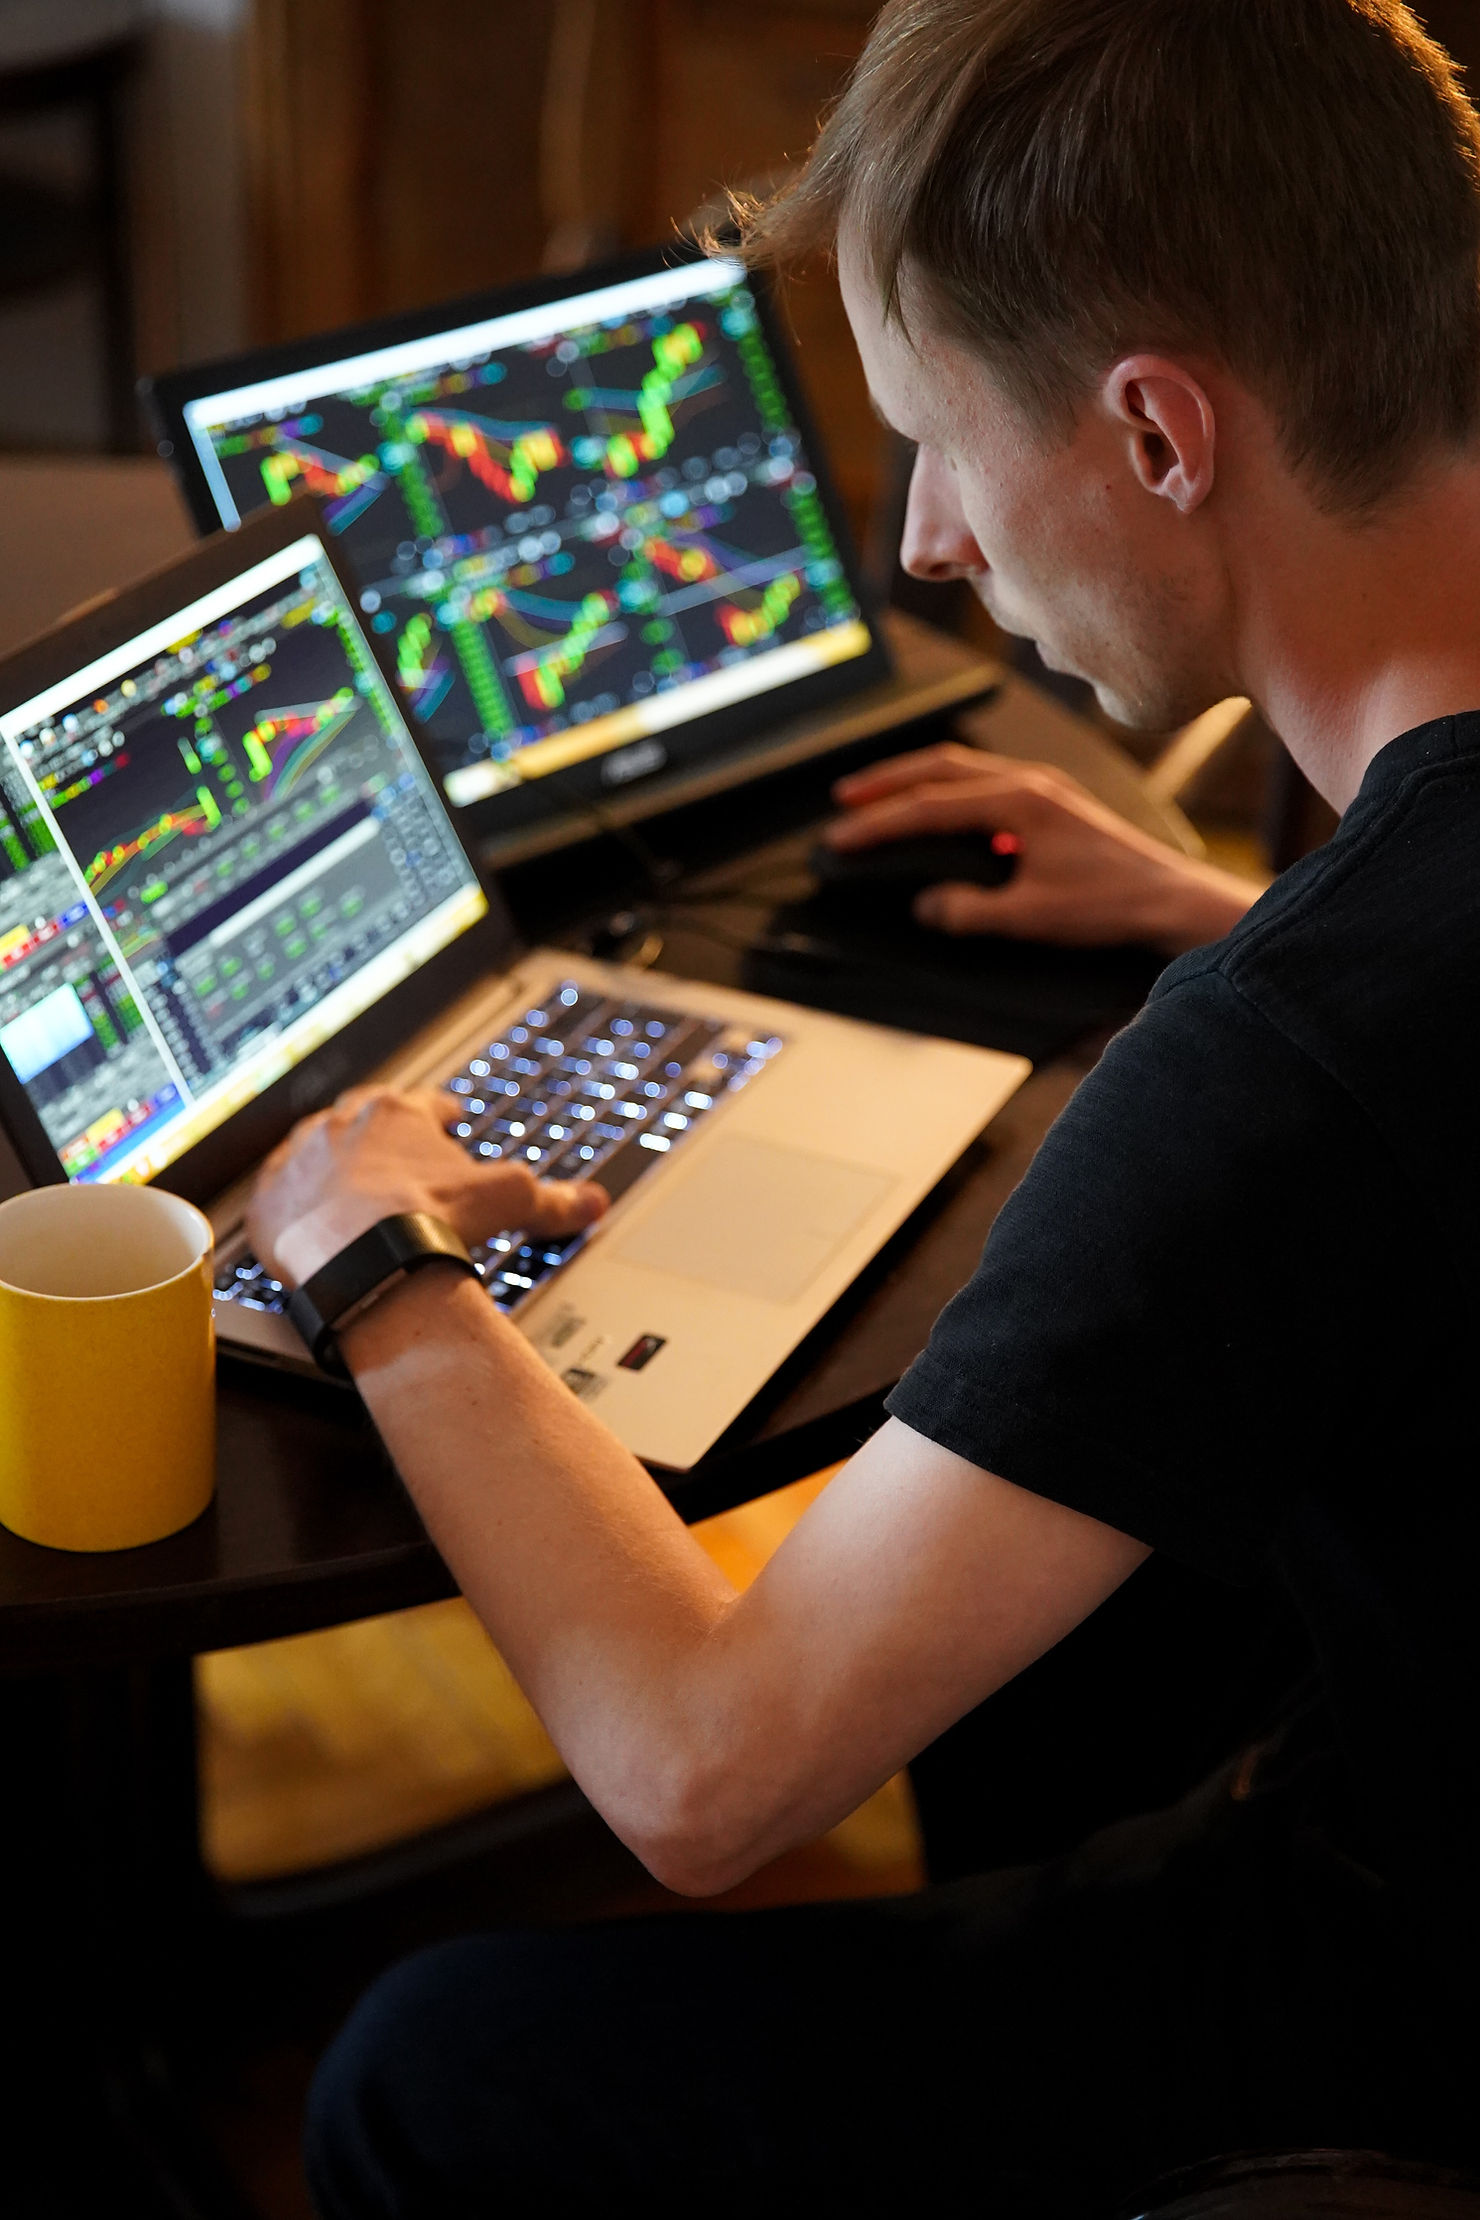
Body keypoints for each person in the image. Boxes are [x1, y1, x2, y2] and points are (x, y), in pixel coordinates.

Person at [250, 2, 1480, 2211]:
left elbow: (698, 1778)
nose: (915, 537)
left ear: (1154, 433)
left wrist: (381, 1258)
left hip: (1421, 1983)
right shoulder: (1336, 981)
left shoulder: (1294, 1060)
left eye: (927, 435)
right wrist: (1218, 919)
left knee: (433, 2072)